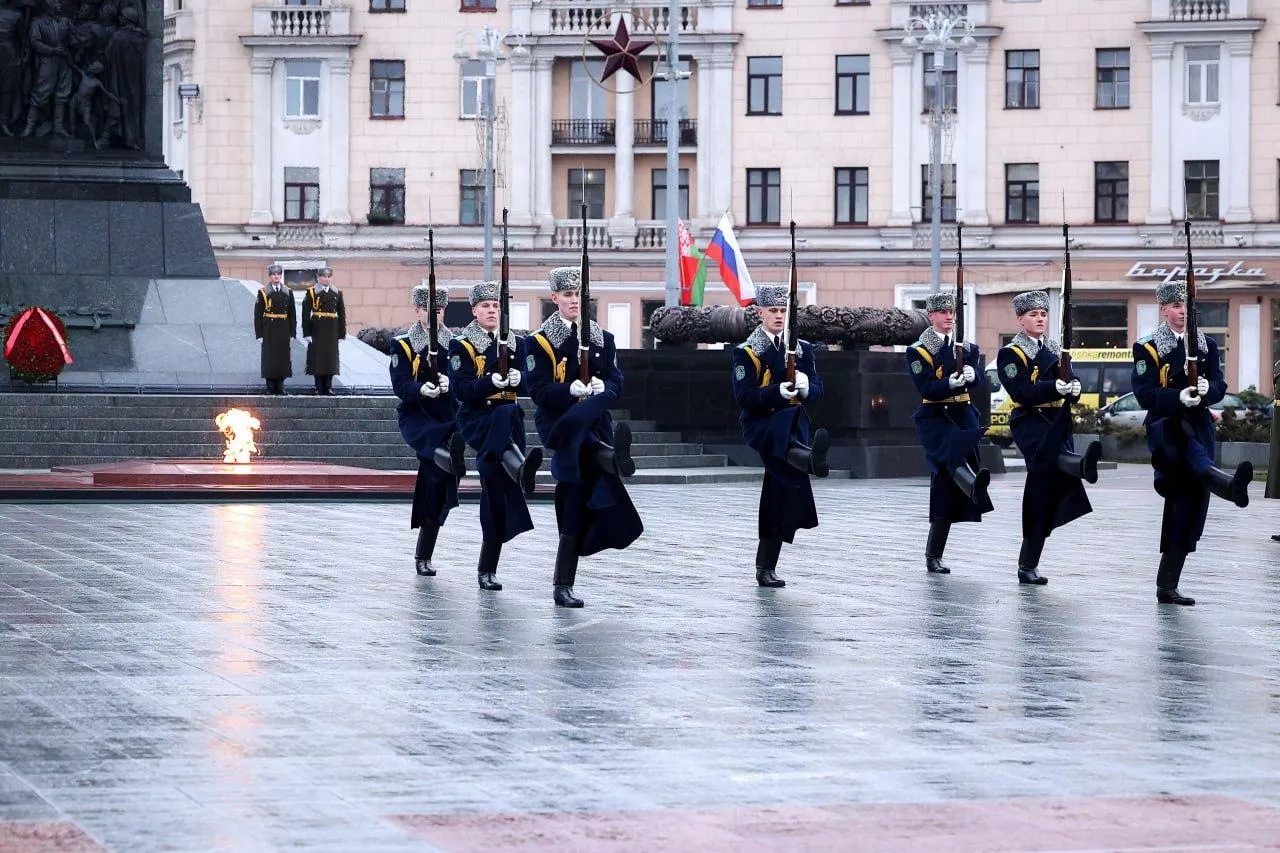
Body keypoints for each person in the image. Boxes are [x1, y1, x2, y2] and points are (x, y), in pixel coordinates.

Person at [526, 266, 642, 608]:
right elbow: (538, 390)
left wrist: (603, 387)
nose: (574, 300)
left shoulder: (603, 338)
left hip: (595, 424)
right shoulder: (539, 342)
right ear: (555, 298)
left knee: (578, 503)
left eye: (578, 294)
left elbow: (617, 383)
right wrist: (570, 390)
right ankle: (612, 458)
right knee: (575, 497)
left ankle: (563, 585)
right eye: (568, 295)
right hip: (561, 426)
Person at [1133, 280, 1253, 606]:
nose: (1182, 312)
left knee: (1189, 508)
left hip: (1199, 426)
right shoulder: (1148, 347)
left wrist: (1206, 389)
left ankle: (1167, 586)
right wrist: (1177, 397)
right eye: (1175, 306)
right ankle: (1226, 485)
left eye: (1186, 306)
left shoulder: (1206, 345)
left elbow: (1219, 384)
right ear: (1164, 310)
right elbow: (1144, 393)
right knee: (1185, 449)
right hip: (1166, 427)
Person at [996, 290, 1101, 586]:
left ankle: (1027, 565)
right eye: (1033, 315)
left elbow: (1071, 379)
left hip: (1057, 421)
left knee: (1043, 494)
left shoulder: (1056, 348)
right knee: (1048, 465)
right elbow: (1021, 392)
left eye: (1043, 314)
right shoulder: (1011, 353)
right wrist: (1055, 387)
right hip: (1031, 422)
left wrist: (1074, 388)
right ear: (1020, 320)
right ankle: (1080, 465)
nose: (1040, 319)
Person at [730, 284, 829, 588]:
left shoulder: (802, 348)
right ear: (759, 313)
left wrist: (806, 386)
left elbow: (818, 391)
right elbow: (744, 397)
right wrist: (777, 392)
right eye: (772, 310)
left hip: (793, 427)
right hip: (763, 426)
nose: (778, 315)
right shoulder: (747, 351)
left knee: (780, 492)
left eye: (783, 310)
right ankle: (809, 460)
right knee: (782, 486)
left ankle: (765, 567)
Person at [447, 281, 542, 592]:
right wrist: (490, 382)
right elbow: (461, 390)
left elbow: (533, 384)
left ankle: (488, 569)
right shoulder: (462, 345)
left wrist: (520, 378)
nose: (491, 310)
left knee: (497, 493)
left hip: (509, 425)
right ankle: (520, 469)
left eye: (495, 305)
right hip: (480, 420)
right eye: (485, 305)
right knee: (493, 487)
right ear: (474, 310)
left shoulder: (518, 343)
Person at [905, 291, 993, 574]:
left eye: (952, 312)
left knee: (944, 485)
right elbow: (926, 387)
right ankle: (972, 485)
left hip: (963, 416)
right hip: (936, 418)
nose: (948, 317)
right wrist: (949, 384)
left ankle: (934, 554)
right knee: (949, 465)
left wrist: (973, 376)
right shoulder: (919, 350)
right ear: (930, 315)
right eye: (942, 312)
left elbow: (979, 378)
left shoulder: (968, 347)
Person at [390, 282, 466, 578]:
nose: (433, 315)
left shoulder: (456, 344)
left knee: (437, 486)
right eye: (427, 309)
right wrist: (422, 389)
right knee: (437, 478)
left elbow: (464, 378)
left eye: (439, 310)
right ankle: (423, 555)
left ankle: (424, 554)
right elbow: (401, 384)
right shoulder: (404, 344)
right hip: (418, 418)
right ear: (417, 311)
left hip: (447, 416)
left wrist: (451, 384)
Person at [302, 266, 346, 396]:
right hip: (317, 328)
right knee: (318, 358)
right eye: (323, 276)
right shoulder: (311, 292)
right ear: (318, 278)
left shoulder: (337, 293)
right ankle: (318, 386)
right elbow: (305, 314)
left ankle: (328, 386)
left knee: (330, 358)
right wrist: (307, 333)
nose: (326, 279)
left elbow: (342, 314)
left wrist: (342, 333)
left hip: (332, 329)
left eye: (328, 276)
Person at [253, 264, 295, 395]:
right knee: (270, 358)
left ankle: (280, 386)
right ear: (270, 276)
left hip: (283, 328)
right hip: (269, 329)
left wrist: (292, 332)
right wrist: (259, 334)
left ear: (281, 276)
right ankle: (270, 387)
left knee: (282, 357)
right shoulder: (263, 292)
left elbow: (292, 313)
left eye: (278, 274)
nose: (276, 277)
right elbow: (258, 314)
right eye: (273, 274)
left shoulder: (288, 292)